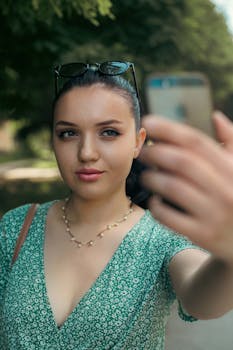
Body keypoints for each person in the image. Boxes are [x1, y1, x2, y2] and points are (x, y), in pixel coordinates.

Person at [0, 61, 232, 350]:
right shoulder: (15, 227)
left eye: (108, 132)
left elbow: (202, 301)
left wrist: (229, 253)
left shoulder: (162, 237)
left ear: (138, 142)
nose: (86, 153)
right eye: (68, 133)